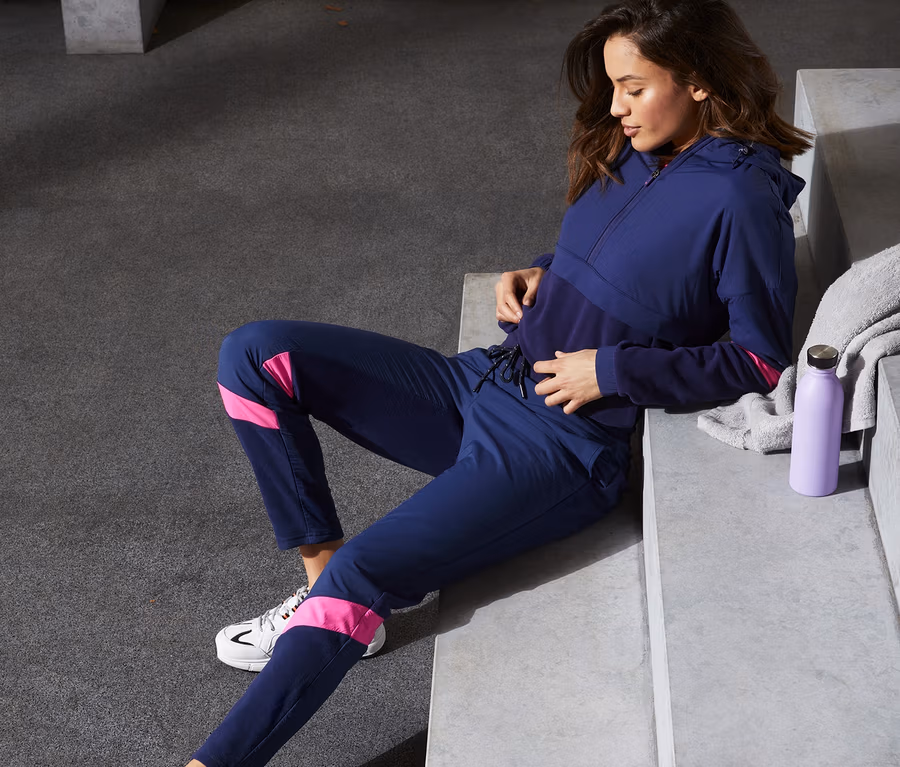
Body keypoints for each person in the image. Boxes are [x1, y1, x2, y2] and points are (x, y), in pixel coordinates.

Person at [186, 0, 813, 764]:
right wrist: (541, 275)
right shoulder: (639, 148)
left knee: (365, 571)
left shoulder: (743, 198)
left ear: (700, 80)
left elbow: (759, 360)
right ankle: (318, 586)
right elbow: (620, 266)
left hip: (560, 445)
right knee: (255, 356)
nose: (616, 107)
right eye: (614, 86)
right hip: (486, 378)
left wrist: (612, 368)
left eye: (634, 88)